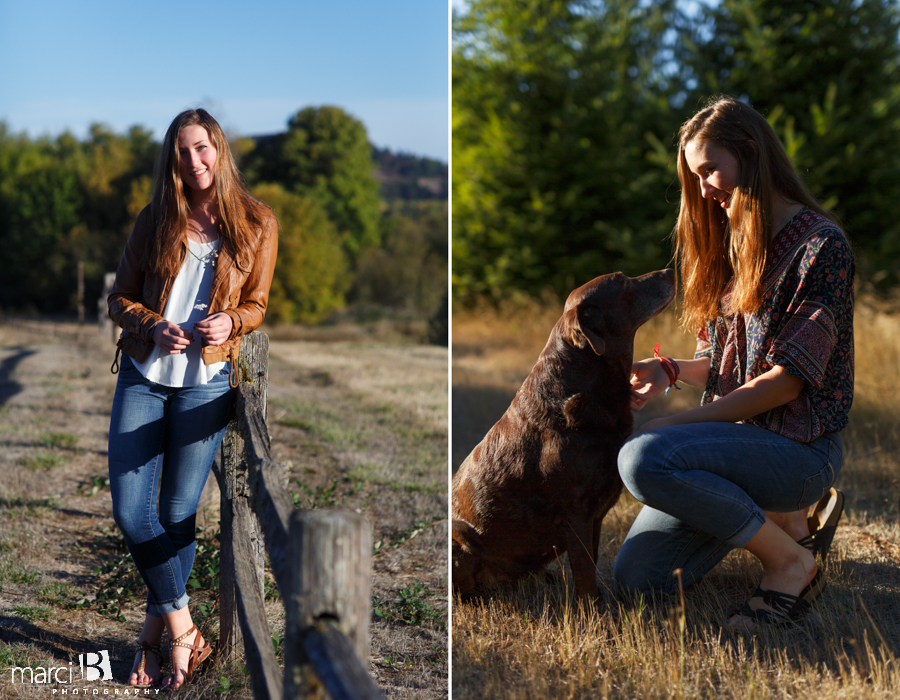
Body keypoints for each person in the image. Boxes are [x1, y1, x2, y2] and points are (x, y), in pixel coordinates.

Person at [613, 95, 853, 629]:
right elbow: (718, 361)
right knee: (639, 581)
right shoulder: (733, 245)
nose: (702, 189)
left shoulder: (821, 247)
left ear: (749, 153)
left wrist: (675, 424)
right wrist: (671, 370)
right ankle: (784, 522)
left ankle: (791, 562)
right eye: (695, 177)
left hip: (798, 451)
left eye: (710, 170)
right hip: (733, 450)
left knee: (642, 457)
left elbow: (783, 386)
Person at [107, 108, 278, 687]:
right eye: (182, 152)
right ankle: (184, 629)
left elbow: (256, 303)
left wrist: (231, 321)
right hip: (143, 375)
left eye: (202, 148)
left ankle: (152, 644)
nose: (194, 161)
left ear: (219, 149)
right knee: (132, 512)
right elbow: (119, 298)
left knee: (178, 513)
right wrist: (153, 326)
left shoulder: (257, 223)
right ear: (171, 159)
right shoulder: (155, 218)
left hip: (203, 384)